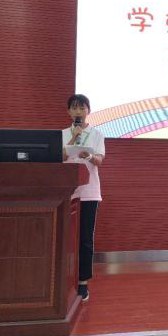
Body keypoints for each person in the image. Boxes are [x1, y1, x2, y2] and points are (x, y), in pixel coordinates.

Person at [62, 94, 105, 302]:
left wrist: (88, 155)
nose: (78, 111)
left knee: (85, 238)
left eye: (82, 108)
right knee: (65, 238)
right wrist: (73, 138)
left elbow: (99, 161)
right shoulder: (63, 133)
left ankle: (82, 282)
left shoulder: (97, 134)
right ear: (69, 111)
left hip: (89, 192)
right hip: (66, 192)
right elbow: (58, 157)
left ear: (88, 110)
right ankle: (64, 279)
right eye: (74, 108)